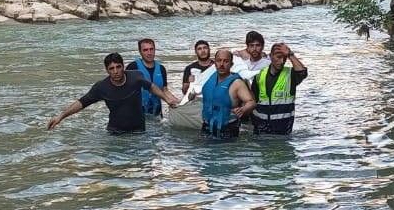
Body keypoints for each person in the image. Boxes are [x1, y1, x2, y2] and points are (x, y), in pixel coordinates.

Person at [47, 52, 179, 133]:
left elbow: (151, 87)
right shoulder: (101, 87)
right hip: (116, 133)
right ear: (107, 70)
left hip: (139, 132)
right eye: (111, 68)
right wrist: (60, 117)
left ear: (123, 66)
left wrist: (167, 99)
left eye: (118, 67)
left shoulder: (136, 77)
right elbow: (82, 102)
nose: (115, 71)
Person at [250, 42, 307, 135]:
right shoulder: (260, 75)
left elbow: (302, 72)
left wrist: (290, 55)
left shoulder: (290, 75)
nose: (282, 61)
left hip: (282, 132)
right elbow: (253, 100)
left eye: (284, 58)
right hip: (260, 131)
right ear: (270, 56)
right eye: (278, 57)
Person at [200, 48, 256, 138]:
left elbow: (251, 102)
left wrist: (243, 109)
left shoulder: (237, 83)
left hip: (228, 130)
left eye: (226, 61)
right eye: (219, 61)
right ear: (215, 63)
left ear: (231, 64)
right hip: (206, 128)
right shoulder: (210, 78)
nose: (221, 64)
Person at [126, 38, 168, 116]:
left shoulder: (161, 69)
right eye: (145, 50)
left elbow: (165, 90)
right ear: (140, 52)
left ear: (155, 50)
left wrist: (176, 102)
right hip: (137, 116)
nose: (149, 53)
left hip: (157, 116)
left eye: (151, 49)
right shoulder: (133, 67)